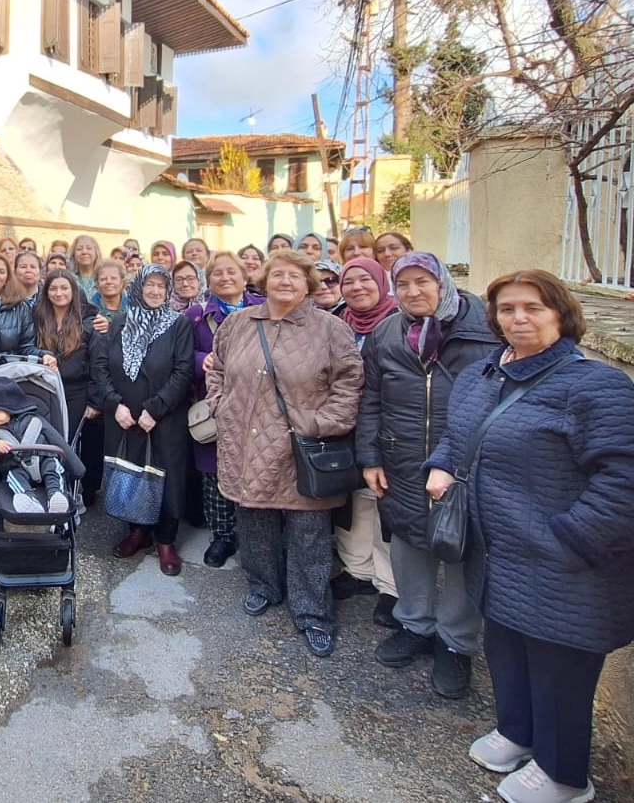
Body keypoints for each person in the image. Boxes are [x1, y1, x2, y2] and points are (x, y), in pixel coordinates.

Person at [426, 271, 634, 803]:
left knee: (558, 667)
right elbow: (457, 433)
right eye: (507, 308)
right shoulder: (484, 374)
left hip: (564, 561)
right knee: (507, 649)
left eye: (533, 308)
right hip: (496, 551)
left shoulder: (596, 386)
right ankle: (518, 733)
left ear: (561, 314)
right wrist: (441, 465)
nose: (518, 319)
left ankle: (565, 775)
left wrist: (571, 540)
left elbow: (623, 477)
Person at [205, 250, 363, 657]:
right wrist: (221, 404)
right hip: (245, 442)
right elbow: (216, 366)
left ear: (309, 284)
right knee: (253, 518)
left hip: (300, 445)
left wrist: (319, 423)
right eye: (277, 274)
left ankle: (312, 612)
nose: (285, 282)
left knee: (308, 532)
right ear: (263, 280)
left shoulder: (329, 329)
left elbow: (350, 383)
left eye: (295, 276)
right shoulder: (239, 323)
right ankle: (264, 585)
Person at [357, 252, 498, 696]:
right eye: (404, 284)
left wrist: (461, 463)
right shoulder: (388, 331)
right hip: (400, 459)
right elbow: (370, 399)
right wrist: (370, 457)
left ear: (442, 282)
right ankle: (415, 625)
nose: (414, 292)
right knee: (409, 544)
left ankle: (456, 645)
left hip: (465, 462)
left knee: (460, 549)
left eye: (423, 281)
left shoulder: (483, 329)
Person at [94, 264, 195, 577]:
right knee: (132, 471)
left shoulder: (177, 324)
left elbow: (183, 371)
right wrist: (116, 404)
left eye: (160, 287)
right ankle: (137, 531)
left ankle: (165, 540)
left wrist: (156, 408)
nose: (154, 291)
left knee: (166, 475)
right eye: (149, 285)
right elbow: (101, 367)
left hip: (163, 417)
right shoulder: (120, 322)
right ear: (137, 287)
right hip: (125, 416)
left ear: (167, 292)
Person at [330, 257, 399, 624]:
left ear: (380, 282)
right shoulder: (341, 322)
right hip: (346, 426)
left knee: (384, 504)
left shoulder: (399, 322)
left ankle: (390, 586)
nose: (357, 287)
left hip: (387, 426)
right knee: (353, 500)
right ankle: (358, 570)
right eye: (349, 281)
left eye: (364, 280)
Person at [185, 252, 265, 568]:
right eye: (217, 273)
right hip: (214, 404)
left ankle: (255, 537)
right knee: (214, 472)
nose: (225, 277)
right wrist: (199, 359)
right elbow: (183, 353)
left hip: (259, 406)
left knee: (255, 470)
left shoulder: (263, 308)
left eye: (232, 271)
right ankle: (222, 536)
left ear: (245, 277)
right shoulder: (197, 314)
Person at [34, 270, 103, 500]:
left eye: (64, 288)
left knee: (69, 442)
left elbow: (97, 363)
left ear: (74, 291)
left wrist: (94, 401)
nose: (59, 293)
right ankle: (56, 489)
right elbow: (27, 347)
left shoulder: (90, 321)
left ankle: (74, 492)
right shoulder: (38, 317)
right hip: (46, 390)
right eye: (53, 288)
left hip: (77, 391)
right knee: (51, 440)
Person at [0, 376, 85, 514]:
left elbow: (58, 441)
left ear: (10, 407)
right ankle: (26, 498)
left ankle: (56, 496)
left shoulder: (34, 420)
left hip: (43, 458)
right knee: (13, 477)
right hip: (14, 466)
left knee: (53, 467)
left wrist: (76, 469)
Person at [0, 253, 52, 365]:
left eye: (1, 272)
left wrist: (45, 355)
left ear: (7, 277)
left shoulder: (21, 306)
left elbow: (25, 347)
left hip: (12, 369)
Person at [90, 259, 127, 327]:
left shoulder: (134, 307)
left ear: (122, 282)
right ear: (97, 284)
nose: (109, 282)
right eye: (103, 279)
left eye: (113, 278)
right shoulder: (89, 310)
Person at [69, 234, 101, 301]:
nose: (84, 252)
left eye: (89, 248)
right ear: (73, 254)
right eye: (79, 249)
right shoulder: (69, 279)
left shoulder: (104, 279)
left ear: (96, 253)